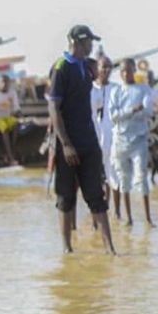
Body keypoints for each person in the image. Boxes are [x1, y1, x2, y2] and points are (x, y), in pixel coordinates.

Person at [47, 25, 116, 254]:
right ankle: (67, 249)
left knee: (96, 195)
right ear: (79, 41)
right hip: (68, 143)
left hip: (89, 141)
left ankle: (110, 249)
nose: (92, 46)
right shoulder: (60, 68)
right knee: (66, 197)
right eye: (89, 43)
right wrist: (66, 144)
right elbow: (54, 110)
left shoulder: (86, 67)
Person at [109, 58, 154, 226]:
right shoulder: (116, 91)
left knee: (142, 178)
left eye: (129, 70)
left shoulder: (144, 89)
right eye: (122, 71)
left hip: (139, 139)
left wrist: (126, 114)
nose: (126, 74)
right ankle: (128, 218)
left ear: (134, 70)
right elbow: (113, 116)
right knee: (123, 179)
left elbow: (148, 111)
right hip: (120, 141)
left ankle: (148, 219)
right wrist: (132, 110)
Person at [90, 55, 121, 218]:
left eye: (110, 67)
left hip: (113, 138)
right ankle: (100, 210)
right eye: (104, 67)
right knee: (98, 177)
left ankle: (116, 212)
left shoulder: (117, 89)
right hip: (94, 138)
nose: (107, 70)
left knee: (115, 175)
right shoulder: (90, 89)